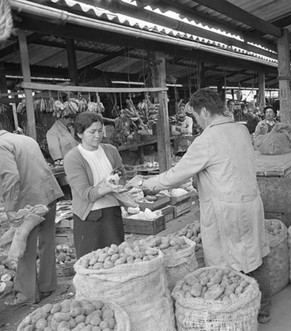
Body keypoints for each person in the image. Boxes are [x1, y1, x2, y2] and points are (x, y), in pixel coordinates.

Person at [137, 89, 272, 323]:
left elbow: (177, 174)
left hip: (227, 209)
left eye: (197, 116)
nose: (197, 122)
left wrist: (149, 184)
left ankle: (235, 313)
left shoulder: (207, 139)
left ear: (206, 112)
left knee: (229, 264)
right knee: (255, 255)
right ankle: (264, 306)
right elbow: (226, 164)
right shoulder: (240, 129)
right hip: (250, 202)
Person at [0, 124, 63, 305]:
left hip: (29, 203)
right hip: (48, 193)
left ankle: (26, 295)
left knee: (25, 248)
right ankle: (47, 286)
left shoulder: (1, 145)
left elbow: (11, 177)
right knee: (47, 242)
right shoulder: (25, 139)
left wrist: (11, 209)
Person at [63, 112, 126, 259]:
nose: (97, 135)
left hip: (113, 213)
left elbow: (121, 173)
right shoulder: (73, 158)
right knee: (91, 262)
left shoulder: (111, 150)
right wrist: (107, 188)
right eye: (92, 132)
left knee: (116, 259)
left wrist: (120, 183)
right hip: (89, 218)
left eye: (100, 130)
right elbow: (86, 193)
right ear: (79, 133)